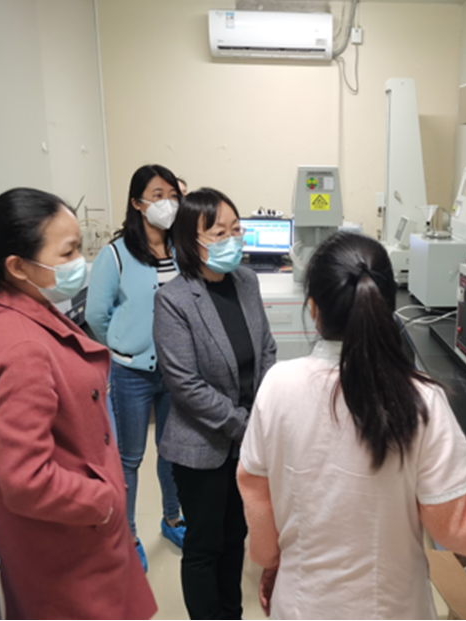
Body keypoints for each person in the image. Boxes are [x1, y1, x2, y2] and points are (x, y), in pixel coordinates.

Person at [237, 231, 466, 619]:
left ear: (313, 309)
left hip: (302, 604)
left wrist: (271, 561)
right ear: (386, 306)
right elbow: (459, 528)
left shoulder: (277, 386)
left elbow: (257, 496)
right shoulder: (422, 399)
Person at [0, 188, 156, 619]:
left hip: (70, 541)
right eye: (69, 251)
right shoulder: (20, 346)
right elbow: (25, 478)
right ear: (18, 266)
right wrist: (104, 502)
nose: (81, 262)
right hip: (68, 553)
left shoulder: (23, 309)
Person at [153, 188, 277, 620]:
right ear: (192, 241)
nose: (232, 240)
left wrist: (262, 414)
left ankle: (231, 613)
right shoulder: (173, 300)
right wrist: (246, 425)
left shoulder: (246, 281)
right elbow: (185, 385)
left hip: (247, 444)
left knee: (235, 536)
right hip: (201, 446)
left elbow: (266, 349)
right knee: (205, 546)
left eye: (236, 229)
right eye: (219, 232)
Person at [85, 164, 185, 570]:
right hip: (131, 373)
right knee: (130, 458)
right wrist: (127, 343)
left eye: (173, 195)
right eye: (158, 195)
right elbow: (97, 315)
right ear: (138, 203)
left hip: (177, 371)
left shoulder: (182, 249)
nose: (168, 203)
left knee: (171, 452)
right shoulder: (115, 254)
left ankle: (173, 519)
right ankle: (129, 537)